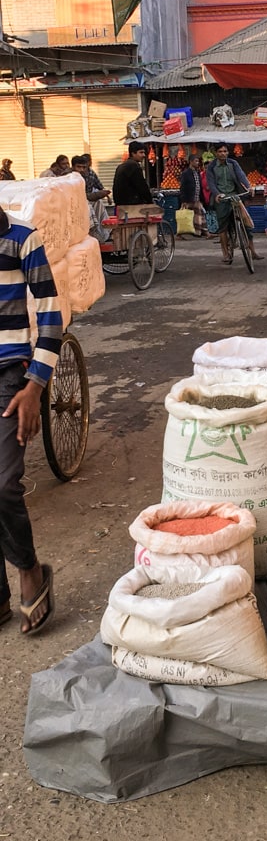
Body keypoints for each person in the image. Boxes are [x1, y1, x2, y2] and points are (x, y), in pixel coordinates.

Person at [0, 203, 63, 635]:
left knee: (3, 483)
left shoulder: (23, 238)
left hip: (11, 374)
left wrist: (36, 385)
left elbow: (51, 314)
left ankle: (29, 570)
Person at [205, 144, 263, 265]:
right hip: (221, 198)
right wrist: (216, 194)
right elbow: (211, 183)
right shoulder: (211, 167)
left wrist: (248, 186)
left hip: (235, 195)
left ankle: (252, 251)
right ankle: (225, 253)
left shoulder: (233, 163)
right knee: (223, 227)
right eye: (220, 151)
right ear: (216, 153)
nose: (223, 154)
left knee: (246, 223)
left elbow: (241, 175)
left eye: (225, 151)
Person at [71, 155, 109, 242]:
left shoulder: (89, 174)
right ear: (73, 167)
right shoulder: (69, 177)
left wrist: (103, 194)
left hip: (84, 201)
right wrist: (96, 195)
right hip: (72, 204)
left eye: (83, 167)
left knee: (98, 203)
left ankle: (103, 230)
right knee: (88, 206)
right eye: (78, 167)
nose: (81, 170)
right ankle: (93, 230)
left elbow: (99, 186)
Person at [178, 154, 210, 238]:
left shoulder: (197, 172)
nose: (197, 163)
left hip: (197, 198)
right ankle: (181, 234)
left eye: (198, 161)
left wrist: (202, 198)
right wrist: (183, 200)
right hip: (189, 198)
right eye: (196, 161)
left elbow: (199, 185)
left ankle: (203, 232)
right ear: (191, 162)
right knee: (186, 216)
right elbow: (183, 187)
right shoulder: (186, 173)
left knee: (200, 215)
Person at [112, 142, 152, 207]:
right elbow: (142, 186)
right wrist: (150, 201)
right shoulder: (134, 166)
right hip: (131, 205)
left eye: (144, 153)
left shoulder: (122, 165)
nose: (144, 155)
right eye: (141, 152)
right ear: (133, 153)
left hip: (120, 205)